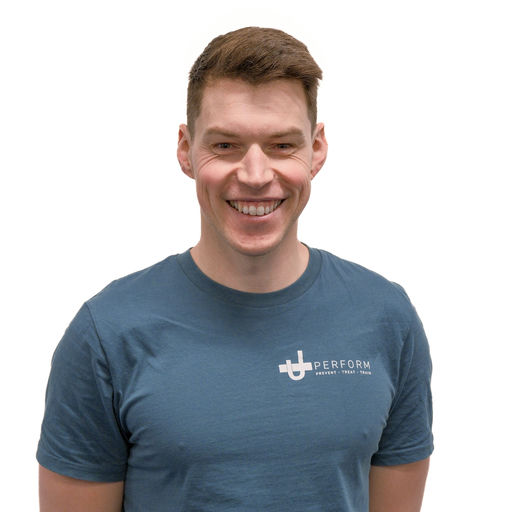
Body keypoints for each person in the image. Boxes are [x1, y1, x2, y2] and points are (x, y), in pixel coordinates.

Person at [37, 27, 433, 511]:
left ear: (317, 149)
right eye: (225, 145)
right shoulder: (107, 333)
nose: (255, 175)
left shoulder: (386, 318)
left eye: (282, 145)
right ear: (186, 149)